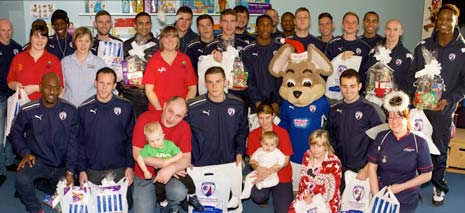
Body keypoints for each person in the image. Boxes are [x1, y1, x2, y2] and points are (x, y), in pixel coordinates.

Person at [408, 4, 465, 206]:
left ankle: (438, 186)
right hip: (421, 109)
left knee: (439, 151)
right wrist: (414, 96)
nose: (444, 22)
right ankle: (413, 185)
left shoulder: (462, 50)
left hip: (443, 110)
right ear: (436, 20)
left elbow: (463, 83)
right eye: (441, 18)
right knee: (416, 148)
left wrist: (448, 100)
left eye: (449, 19)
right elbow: (411, 76)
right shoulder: (423, 46)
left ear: (456, 22)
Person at [10, 73, 77, 213]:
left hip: (61, 164)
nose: (52, 92)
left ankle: (47, 185)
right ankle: (36, 209)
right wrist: (25, 153)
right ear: (41, 88)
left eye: (55, 88)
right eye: (48, 87)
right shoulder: (28, 109)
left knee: (71, 198)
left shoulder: (70, 110)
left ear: (60, 90)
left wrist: (70, 170)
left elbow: (73, 143)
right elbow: (15, 132)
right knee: (22, 180)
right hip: (38, 161)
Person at [77, 67, 135, 206]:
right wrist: (81, 170)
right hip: (92, 169)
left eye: (109, 84)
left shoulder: (126, 107)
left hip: (119, 168)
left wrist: (130, 166)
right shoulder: (83, 109)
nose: (104, 87)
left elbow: (130, 140)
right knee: (92, 205)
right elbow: (79, 143)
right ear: (95, 83)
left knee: (126, 204)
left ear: (115, 85)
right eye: (101, 83)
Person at [368, 91, 433, 212]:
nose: (394, 121)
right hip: (383, 192)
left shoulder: (419, 143)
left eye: (398, 117)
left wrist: (400, 187)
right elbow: (372, 168)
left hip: (407, 196)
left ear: (406, 117)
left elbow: (427, 175)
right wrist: (376, 195)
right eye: (391, 117)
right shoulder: (381, 138)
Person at [132, 96, 193, 213]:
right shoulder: (145, 118)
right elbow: (137, 153)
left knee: (178, 192)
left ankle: (173, 207)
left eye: (178, 116)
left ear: (184, 117)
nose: (172, 118)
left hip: (170, 176)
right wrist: (166, 165)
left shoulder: (185, 127)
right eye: (170, 111)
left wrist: (171, 169)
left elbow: (186, 158)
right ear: (164, 106)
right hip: (145, 175)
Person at [327, 69, 385, 190]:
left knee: (361, 206)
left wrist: (368, 168)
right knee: (342, 204)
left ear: (359, 86)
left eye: (352, 86)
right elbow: (330, 137)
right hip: (341, 168)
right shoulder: (334, 110)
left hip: (363, 169)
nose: (348, 91)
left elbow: (380, 142)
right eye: (344, 86)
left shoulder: (370, 110)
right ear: (340, 87)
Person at [187, 66, 249, 167]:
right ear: (205, 84)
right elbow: (184, 134)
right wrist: (187, 159)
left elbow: (242, 132)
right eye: (210, 82)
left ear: (225, 82)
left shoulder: (238, 105)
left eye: (218, 81)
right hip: (201, 164)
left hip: (230, 161)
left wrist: (240, 153)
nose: (214, 86)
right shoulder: (193, 107)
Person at [135, 121, 204, 211]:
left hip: (173, 168)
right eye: (151, 141)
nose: (155, 143)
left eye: (158, 139)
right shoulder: (148, 148)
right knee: (159, 189)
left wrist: (168, 163)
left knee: (187, 179)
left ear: (163, 136)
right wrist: (145, 171)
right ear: (147, 140)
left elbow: (179, 154)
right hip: (159, 171)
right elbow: (139, 157)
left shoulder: (169, 145)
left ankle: (192, 196)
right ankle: (163, 204)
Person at [245, 104, 293, 213]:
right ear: (257, 117)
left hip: (281, 174)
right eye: (261, 118)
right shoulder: (253, 135)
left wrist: (270, 171)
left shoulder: (282, 133)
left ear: (273, 116)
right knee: (258, 196)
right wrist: (258, 169)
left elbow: (286, 159)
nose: (264, 122)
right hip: (261, 173)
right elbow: (252, 160)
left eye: (267, 117)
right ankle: (264, 198)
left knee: (284, 210)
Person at [143, 26, 197, 111]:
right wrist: (160, 110)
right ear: (161, 40)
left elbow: (192, 88)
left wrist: (184, 108)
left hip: (180, 111)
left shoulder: (185, 59)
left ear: (178, 40)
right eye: (166, 37)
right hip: (158, 110)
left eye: (173, 37)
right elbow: (149, 90)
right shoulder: (154, 60)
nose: (170, 40)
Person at [289, 130, 342, 213]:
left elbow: (331, 192)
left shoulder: (334, 163)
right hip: (307, 194)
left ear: (326, 146)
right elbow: (303, 180)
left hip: (326, 199)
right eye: (312, 146)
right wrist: (303, 196)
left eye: (319, 146)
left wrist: (314, 201)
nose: (315, 150)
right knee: (292, 210)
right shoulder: (307, 155)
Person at [203, 9, 249, 106]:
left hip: (241, 96)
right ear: (220, 23)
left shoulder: (245, 47)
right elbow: (205, 75)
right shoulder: (210, 47)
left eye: (232, 21)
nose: (229, 25)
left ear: (236, 23)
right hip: (217, 97)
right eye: (225, 21)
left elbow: (251, 72)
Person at [7, 22, 63, 101]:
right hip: (22, 106)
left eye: (43, 38)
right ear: (30, 38)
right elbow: (10, 81)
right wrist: (15, 85)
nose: (40, 41)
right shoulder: (18, 58)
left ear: (47, 40)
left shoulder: (54, 60)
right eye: (36, 37)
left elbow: (59, 87)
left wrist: (36, 88)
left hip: (46, 107)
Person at [122, 12, 159, 117]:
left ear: (151, 25)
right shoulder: (126, 45)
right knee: (131, 129)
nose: (144, 27)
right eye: (141, 23)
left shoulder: (159, 45)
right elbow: (120, 68)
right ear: (135, 26)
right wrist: (123, 82)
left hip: (151, 97)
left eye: (147, 23)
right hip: (129, 96)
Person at [243, 15, 282, 113]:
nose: (265, 28)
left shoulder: (281, 49)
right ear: (256, 28)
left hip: (277, 105)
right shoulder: (247, 51)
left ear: (273, 28)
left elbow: (284, 77)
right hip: (256, 105)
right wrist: (257, 102)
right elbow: (247, 79)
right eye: (262, 24)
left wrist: (278, 102)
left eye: (268, 25)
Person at [363, 19, 413, 94]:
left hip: (394, 101)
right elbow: (366, 76)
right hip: (373, 99)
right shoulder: (374, 52)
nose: (391, 33)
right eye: (388, 29)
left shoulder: (407, 56)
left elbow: (408, 83)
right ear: (385, 31)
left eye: (395, 29)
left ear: (401, 32)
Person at [0, 18, 21, 186]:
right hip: (0, 97)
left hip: (13, 97)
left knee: (11, 132)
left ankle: (9, 161)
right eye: (3, 30)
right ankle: (1, 169)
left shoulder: (17, 48)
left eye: (9, 30)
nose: (7, 33)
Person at [61, 27, 105, 106]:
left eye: (87, 41)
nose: (83, 44)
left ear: (91, 43)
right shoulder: (65, 62)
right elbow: (62, 87)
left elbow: (103, 88)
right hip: (69, 107)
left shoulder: (99, 63)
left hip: (91, 108)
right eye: (80, 40)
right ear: (74, 42)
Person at [241, 131, 285, 199]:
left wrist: (276, 166)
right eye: (266, 144)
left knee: (276, 181)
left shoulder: (277, 152)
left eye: (272, 145)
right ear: (261, 143)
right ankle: (246, 193)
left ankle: (262, 184)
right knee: (248, 177)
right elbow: (253, 158)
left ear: (276, 145)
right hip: (259, 170)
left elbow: (283, 159)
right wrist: (254, 161)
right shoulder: (259, 150)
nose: (268, 147)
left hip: (271, 172)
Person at [91, 10, 124, 81]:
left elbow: (123, 66)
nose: (104, 25)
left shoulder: (119, 43)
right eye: (100, 22)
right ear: (95, 24)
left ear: (111, 24)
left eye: (107, 22)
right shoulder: (90, 44)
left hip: (114, 87)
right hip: (93, 86)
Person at [186, 14, 215, 78]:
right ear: (198, 29)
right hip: (199, 85)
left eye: (208, 25)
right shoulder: (191, 47)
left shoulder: (221, 43)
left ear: (213, 27)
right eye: (202, 26)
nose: (205, 28)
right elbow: (189, 72)